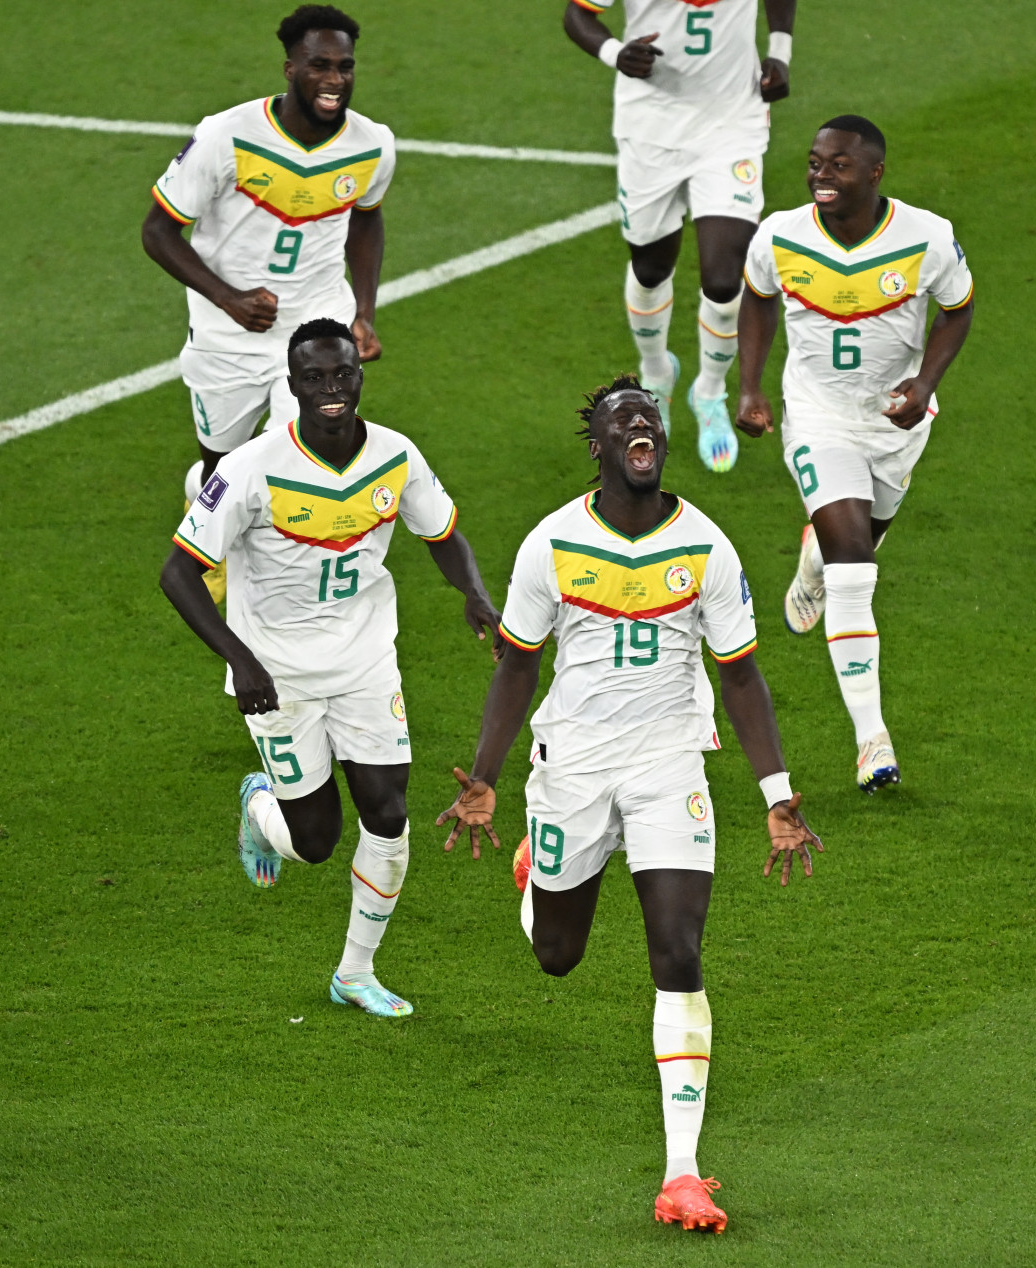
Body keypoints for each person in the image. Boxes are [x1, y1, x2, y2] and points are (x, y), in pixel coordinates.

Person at [436, 374, 821, 1234]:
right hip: (571, 764)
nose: (640, 425)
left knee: (678, 950)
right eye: (623, 419)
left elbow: (743, 676)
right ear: (601, 446)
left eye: (649, 416)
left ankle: (682, 1172)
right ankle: (537, 871)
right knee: (555, 956)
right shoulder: (553, 544)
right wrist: (486, 775)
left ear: (660, 441)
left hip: (666, 763)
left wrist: (775, 793)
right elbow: (517, 664)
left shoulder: (708, 547)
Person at [159, 318, 499, 1019]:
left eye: (341, 374)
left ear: (359, 375)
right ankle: (262, 808)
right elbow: (179, 574)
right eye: (313, 378)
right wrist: (240, 660)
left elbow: (441, 532)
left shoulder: (395, 456)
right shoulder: (249, 469)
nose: (330, 389)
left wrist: (474, 595)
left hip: (366, 663)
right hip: (276, 677)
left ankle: (354, 972)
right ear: (292, 386)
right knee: (313, 842)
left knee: (389, 813)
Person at [735, 115, 974, 792]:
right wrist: (750, 387)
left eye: (837, 165)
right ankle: (872, 740)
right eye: (814, 162)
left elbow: (958, 309)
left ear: (874, 173)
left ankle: (815, 551)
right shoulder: (779, 236)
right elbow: (755, 301)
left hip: (896, 418)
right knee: (854, 567)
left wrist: (924, 382)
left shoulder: (924, 238)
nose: (820, 175)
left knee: (862, 536)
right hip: (817, 417)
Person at [143, 4, 394, 603]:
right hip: (225, 335)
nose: (334, 80)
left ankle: (288, 576)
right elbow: (157, 231)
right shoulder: (225, 137)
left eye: (345, 67)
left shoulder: (373, 145)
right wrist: (226, 297)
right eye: (319, 66)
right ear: (289, 68)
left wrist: (364, 312)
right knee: (219, 464)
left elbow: (367, 219)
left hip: (315, 328)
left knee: (303, 452)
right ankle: (206, 511)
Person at [562, 0, 796, 473]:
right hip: (650, 127)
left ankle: (710, 391)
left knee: (726, 278)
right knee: (651, 269)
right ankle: (656, 374)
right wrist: (615, 53)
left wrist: (780, 50)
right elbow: (577, 14)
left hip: (733, 123)